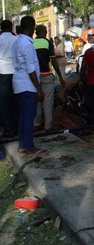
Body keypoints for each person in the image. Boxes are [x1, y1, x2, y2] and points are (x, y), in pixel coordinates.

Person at [13, 16, 47, 155]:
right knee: (28, 116)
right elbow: (30, 69)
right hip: (28, 85)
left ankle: (22, 145)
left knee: (23, 116)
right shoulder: (27, 44)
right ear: (32, 28)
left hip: (19, 83)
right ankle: (29, 146)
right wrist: (39, 89)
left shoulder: (17, 41)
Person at [33, 25, 66, 130]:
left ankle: (36, 123)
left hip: (35, 76)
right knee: (48, 101)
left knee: (37, 100)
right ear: (45, 32)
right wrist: (60, 76)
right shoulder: (47, 43)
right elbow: (53, 61)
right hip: (46, 75)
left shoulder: (32, 43)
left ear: (36, 32)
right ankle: (48, 125)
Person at [0, 20, 17, 138]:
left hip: (2, 72)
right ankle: (16, 126)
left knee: (4, 101)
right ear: (11, 28)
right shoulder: (15, 39)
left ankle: (8, 128)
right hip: (15, 71)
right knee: (15, 100)